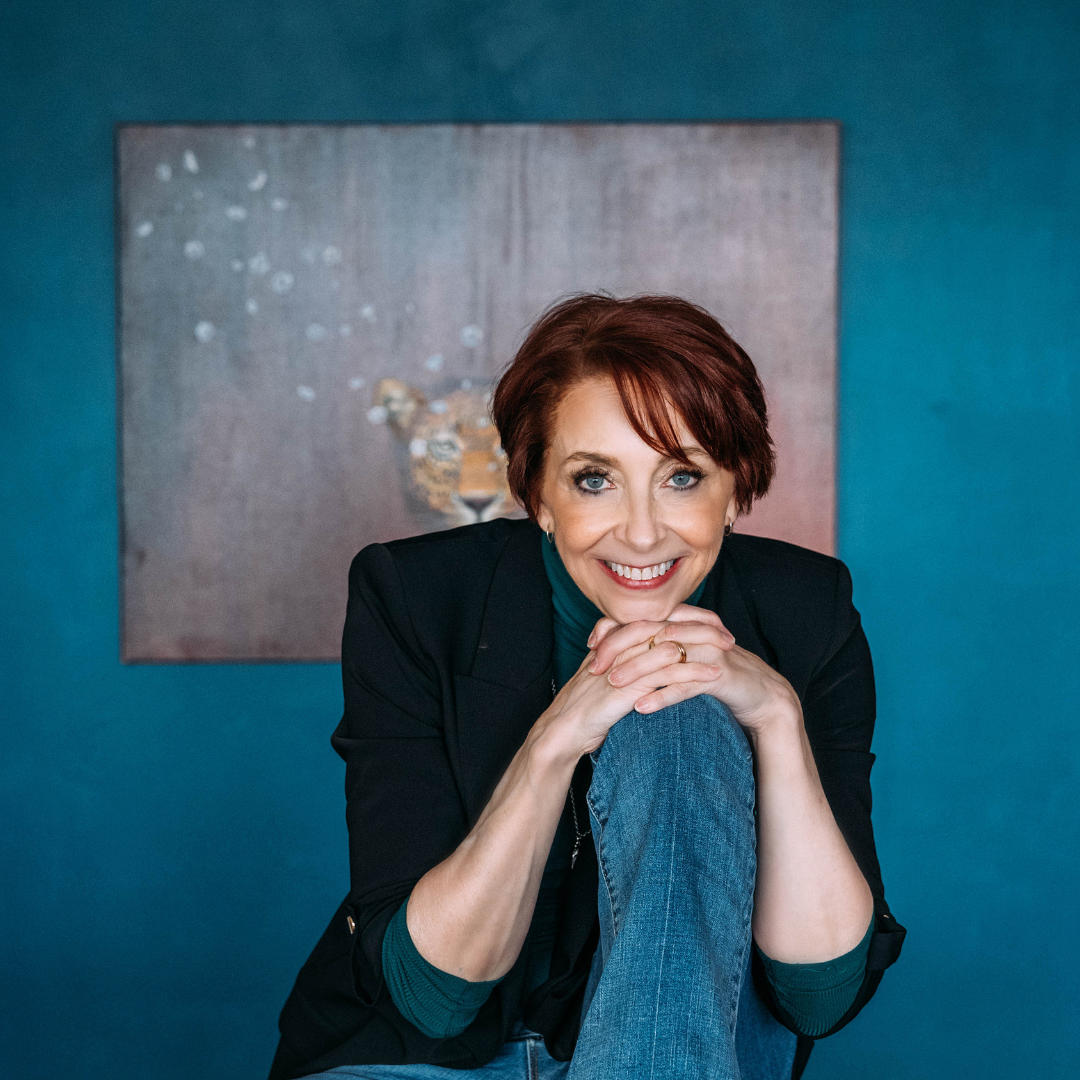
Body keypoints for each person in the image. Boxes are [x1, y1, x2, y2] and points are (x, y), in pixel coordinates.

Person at [269, 295, 905, 1080]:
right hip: (423, 1061)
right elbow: (433, 998)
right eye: (594, 479)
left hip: (693, 1054)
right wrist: (554, 740)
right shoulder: (418, 599)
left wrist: (776, 717)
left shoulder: (807, 612)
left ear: (738, 490)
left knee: (679, 713)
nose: (640, 532)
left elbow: (819, 999)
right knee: (660, 693)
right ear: (538, 494)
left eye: (682, 476)